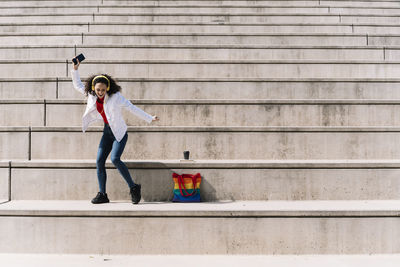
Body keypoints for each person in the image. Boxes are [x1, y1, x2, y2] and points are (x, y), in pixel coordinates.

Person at [71, 58, 159, 204]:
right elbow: (78, 85)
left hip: (119, 133)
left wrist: (150, 118)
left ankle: (134, 187)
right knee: (99, 161)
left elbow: (132, 108)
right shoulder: (91, 95)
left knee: (115, 159)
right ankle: (103, 194)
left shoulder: (116, 97)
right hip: (107, 132)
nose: (100, 92)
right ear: (94, 88)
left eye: (103, 90)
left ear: (108, 89)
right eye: (98, 89)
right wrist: (75, 69)